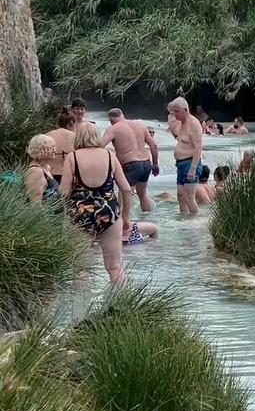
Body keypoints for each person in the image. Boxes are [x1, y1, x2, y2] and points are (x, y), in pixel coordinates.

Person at [60, 120, 131, 284]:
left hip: (79, 214)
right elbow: (126, 189)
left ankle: (82, 301)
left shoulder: (72, 157)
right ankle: (123, 299)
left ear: (78, 137)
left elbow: (64, 191)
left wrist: (65, 215)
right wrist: (125, 216)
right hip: (108, 213)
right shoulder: (110, 156)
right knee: (114, 267)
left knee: (80, 269)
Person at [101, 109, 159, 213]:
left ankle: (123, 221)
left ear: (111, 120)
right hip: (146, 163)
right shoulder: (140, 125)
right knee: (142, 193)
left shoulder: (113, 129)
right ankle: (148, 217)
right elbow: (153, 145)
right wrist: (155, 164)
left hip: (131, 165)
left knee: (124, 195)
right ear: (123, 115)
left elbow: (100, 146)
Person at [167, 97, 203, 215]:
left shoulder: (194, 124)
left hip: (190, 163)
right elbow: (176, 135)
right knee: (181, 196)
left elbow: (198, 147)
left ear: (185, 110)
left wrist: (193, 168)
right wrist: (171, 118)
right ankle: (183, 222)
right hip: (181, 164)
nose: (174, 114)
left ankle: (195, 220)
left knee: (189, 197)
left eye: (177, 111)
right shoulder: (181, 123)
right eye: (173, 111)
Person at [24, 134, 61, 204]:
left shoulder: (47, 168)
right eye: (51, 148)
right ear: (41, 150)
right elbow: (35, 203)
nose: (55, 150)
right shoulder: (35, 171)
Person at [47, 108, 76, 184]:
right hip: (67, 174)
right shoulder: (74, 136)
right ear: (71, 123)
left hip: (49, 173)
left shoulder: (47, 135)